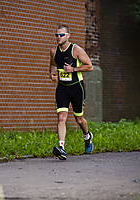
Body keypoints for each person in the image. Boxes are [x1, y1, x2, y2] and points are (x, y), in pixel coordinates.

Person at [49, 24, 93, 160]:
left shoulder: (76, 50)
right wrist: (52, 74)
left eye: (61, 35)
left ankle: (87, 136)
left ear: (68, 36)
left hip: (76, 88)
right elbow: (52, 64)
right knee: (61, 118)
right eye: (57, 35)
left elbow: (89, 66)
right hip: (62, 88)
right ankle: (61, 148)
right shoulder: (53, 51)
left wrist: (73, 70)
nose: (58, 37)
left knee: (79, 119)